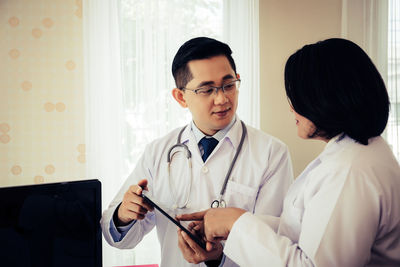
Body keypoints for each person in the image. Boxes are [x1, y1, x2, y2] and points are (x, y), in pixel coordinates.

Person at [177, 38, 400, 266]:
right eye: (207, 89)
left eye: (297, 97)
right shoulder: (354, 155)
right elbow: (299, 230)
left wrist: (237, 224)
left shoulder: (351, 171)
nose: (291, 107)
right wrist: (231, 223)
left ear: (324, 99)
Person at [100, 37, 294, 267]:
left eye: (229, 85)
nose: (222, 98)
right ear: (181, 97)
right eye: (207, 89)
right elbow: (119, 239)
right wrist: (124, 214)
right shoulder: (158, 153)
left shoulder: (272, 153)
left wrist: (219, 257)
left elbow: (273, 248)